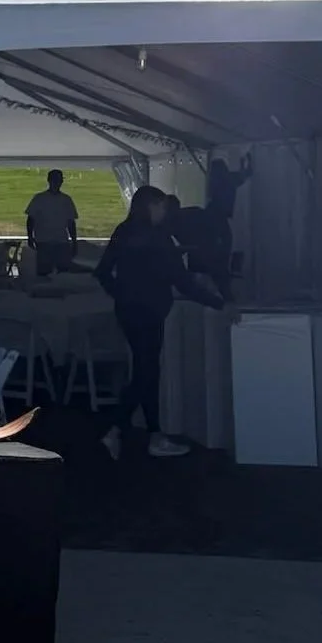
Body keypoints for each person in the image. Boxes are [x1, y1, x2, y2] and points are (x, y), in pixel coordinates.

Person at [95, 186, 224, 460]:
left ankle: (152, 433)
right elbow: (182, 281)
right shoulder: (158, 237)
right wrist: (219, 303)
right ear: (151, 206)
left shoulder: (124, 230)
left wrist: (121, 293)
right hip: (150, 310)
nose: (165, 211)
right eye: (162, 206)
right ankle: (119, 428)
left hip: (128, 310)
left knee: (146, 370)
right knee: (147, 372)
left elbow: (103, 271)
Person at [203, 155, 251, 300]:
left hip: (212, 218)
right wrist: (245, 162)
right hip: (218, 219)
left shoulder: (215, 184)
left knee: (218, 258)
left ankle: (221, 291)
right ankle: (225, 292)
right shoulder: (229, 180)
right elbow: (246, 174)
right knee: (222, 257)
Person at [25, 169, 78, 276]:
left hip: (61, 242)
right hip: (44, 241)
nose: (57, 182)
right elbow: (31, 219)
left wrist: (74, 241)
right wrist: (30, 237)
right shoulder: (39, 198)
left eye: (59, 180)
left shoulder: (66, 200)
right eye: (55, 180)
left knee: (63, 274)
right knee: (44, 273)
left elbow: (71, 223)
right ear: (49, 180)